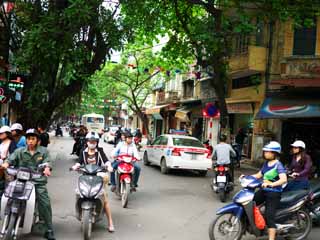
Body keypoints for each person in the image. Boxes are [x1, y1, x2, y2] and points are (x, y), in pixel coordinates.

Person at [2, 129, 56, 240]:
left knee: (44, 202)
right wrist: (5, 164)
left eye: (33, 139)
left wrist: (47, 168)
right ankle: (6, 218)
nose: (30, 141)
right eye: (28, 139)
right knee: (8, 195)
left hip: (37, 181)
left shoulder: (43, 151)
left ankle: (49, 229)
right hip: (21, 179)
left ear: (37, 141)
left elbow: (48, 162)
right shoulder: (20, 151)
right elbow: (10, 159)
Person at [71, 132, 115, 232]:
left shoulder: (100, 151)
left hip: (99, 176)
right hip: (85, 175)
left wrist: (109, 166)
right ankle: (79, 211)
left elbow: (106, 160)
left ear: (97, 142)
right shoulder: (83, 151)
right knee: (78, 192)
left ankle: (110, 222)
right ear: (87, 142)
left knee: (105, 199)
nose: (92, 143)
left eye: (94, 141)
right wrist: (76, 166)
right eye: (90, 141)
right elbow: (79, 162)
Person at [249, 141, 287, 240]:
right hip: (264, 190)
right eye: (265, 151)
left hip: (274, 194)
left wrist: (271, 184)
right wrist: (247, 177)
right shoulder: (266, 163)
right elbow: (258, 175)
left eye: (267, 151)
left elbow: (284, 179)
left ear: (274, 153)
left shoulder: (278, 165)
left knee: (269, 217)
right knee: (249, 203)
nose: (265, 153)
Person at [0, 126, 17, 195]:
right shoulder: (1, 143)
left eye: (1, 133)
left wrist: (6, 161)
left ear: (7, 134)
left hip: (8, 168)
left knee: (8, 187)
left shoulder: (12, 143)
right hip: (0, 167)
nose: (0, 134)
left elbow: (14, 156)